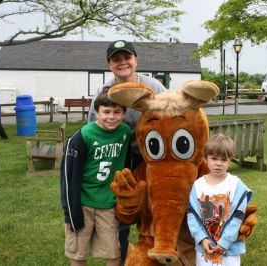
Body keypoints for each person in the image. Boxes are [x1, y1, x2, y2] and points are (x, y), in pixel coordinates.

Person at [88, 40, 166, 265]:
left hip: (152, 160)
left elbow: (171, 118)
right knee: (120, 215)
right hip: (118, 160)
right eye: (116, 59)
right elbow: (93, 126)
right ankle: (120, 260)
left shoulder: (154, 87)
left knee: (152, 215)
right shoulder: (105, 91)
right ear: (109, 64)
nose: (122, 63)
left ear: (135, 60)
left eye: (127, 57)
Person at [61, 88, 131, 266]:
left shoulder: (124, 133)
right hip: (83, 202)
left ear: (124, 114)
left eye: (117, 112)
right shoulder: (82, 136)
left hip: (107, 203)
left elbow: (128, 163)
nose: (111, 117)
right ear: (97, 112)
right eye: (106, 112)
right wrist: (70, 212)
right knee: (78, 254)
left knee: (114, 253)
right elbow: (69, 178)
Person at [187, 134, 253, 266]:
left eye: (224, 159)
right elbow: (192, 215)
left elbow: (237, 217)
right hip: (205, 249)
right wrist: (201, 238)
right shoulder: (198, 186)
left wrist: (225, 241)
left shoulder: (236, 185)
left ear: (230, 161)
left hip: (230, 250)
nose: (218, 163)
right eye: (214, 158)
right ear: (205, 159)